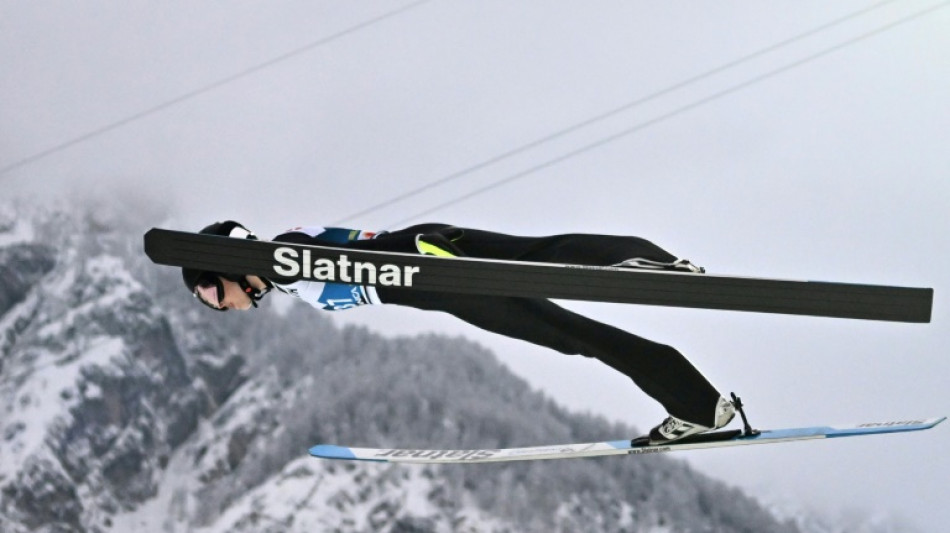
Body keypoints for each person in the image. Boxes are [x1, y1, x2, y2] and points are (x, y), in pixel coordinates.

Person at [182, 221, 735, 444]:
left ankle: (698, 405)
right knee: (540, 258)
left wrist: (426, 262)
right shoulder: (285, 266)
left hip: (436, 274)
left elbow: (308, 254)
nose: (219, 306)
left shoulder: (282, 257)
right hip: (433, 252)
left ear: (226, 264)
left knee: (571, 333)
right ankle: (651, 266)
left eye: (210, 293)